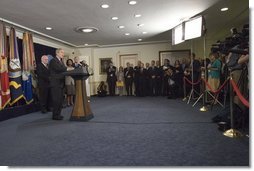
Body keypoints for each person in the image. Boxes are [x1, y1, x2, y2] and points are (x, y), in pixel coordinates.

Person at [49, 48, 67, 120]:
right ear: (57, 53)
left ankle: (58, 114)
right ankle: (55, 115)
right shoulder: (53, 61)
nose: (63, 54)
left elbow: (63, 68)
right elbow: (59, 69)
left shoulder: (61, 61)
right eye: (62, 52)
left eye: (63, 52)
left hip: (61, 83)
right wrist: (67, 68)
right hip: (55, 83)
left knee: (60, 100)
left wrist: (65, 67)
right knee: (56, 100)